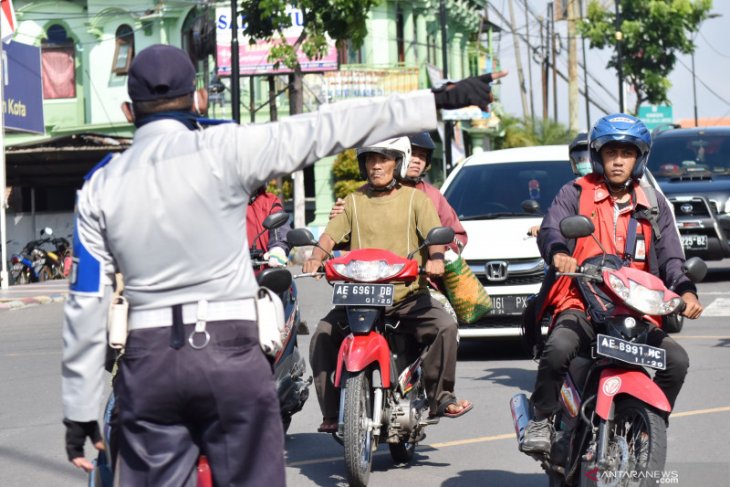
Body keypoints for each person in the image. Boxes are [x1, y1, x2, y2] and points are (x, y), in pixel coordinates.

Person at [61, 44, 495, 485]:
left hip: (149, 361)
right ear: (198, 100)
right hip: (230, 357)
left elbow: (84, 303)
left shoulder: (101, 184)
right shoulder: (227, 148)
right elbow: (326, 127)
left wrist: (78, 411)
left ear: (127, 109)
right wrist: (436, 100)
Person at [520, 114, 704, 454]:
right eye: (611, 153)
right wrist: (559, 253)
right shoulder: (575, 191)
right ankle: (541, 418)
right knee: (559, 347)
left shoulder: (653, 204)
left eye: (627, 153)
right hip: (581, 303)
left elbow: (672, 259)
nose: (618, 160)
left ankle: (648, 425)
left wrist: (686, 292)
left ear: (638, 158)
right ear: (598, 156)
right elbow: (551, 229)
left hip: (634, 310)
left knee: (676, 361)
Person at [305, 137, 472, 434]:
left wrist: (435, 258)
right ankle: (332, 412)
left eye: (383, 159)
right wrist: (316, 257)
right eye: (370, 159)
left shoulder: (416, 200)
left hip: (406, 296)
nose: (376, 165)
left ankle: (441, 397)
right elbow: (330, 236)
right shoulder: (354, 201)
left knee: (444, 326)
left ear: (397, 163)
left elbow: (436, 234)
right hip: (359, 297)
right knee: (322, 335)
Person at [330, 132, 468, 251]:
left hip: (421, 275)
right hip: (372, 273)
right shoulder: (361, 196)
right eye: (412, 154)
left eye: (422, 156)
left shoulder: (431, 196)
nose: (417, 161)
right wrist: (339, 220)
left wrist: (437, 254)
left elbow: (458, 238)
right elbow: (340, 241)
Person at [247, 187, 291, 268]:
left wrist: (278, 248)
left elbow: (279, 225)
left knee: (287, 279)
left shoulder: (269, 201)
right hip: (228, 273)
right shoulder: (221, 203)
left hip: (266, 272)